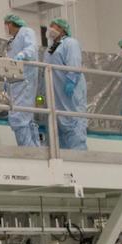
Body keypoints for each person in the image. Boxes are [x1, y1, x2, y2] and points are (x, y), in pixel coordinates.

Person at [44, 18, 87, 150]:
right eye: (50, 25)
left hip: (70, 93)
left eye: (54, 26)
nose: (50, 28)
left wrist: (71, 81)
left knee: (75, 127)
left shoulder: (70, 43)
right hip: (56, 97)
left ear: (62, 29)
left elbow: (74, 63)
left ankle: (80, 164)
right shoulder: (50, 48)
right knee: (59, 134)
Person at [3, 13, 39, 147]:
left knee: (19, 116)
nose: (6, 27)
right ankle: (33, 148)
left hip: (26, 80)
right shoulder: (12, 41)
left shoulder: (26, 32)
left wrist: (22, 55)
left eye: (6, 24)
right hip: (15, 83)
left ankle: (28, 151)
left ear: (11, 23)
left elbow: (32, 48)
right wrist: (6, 82)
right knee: (21, 117)